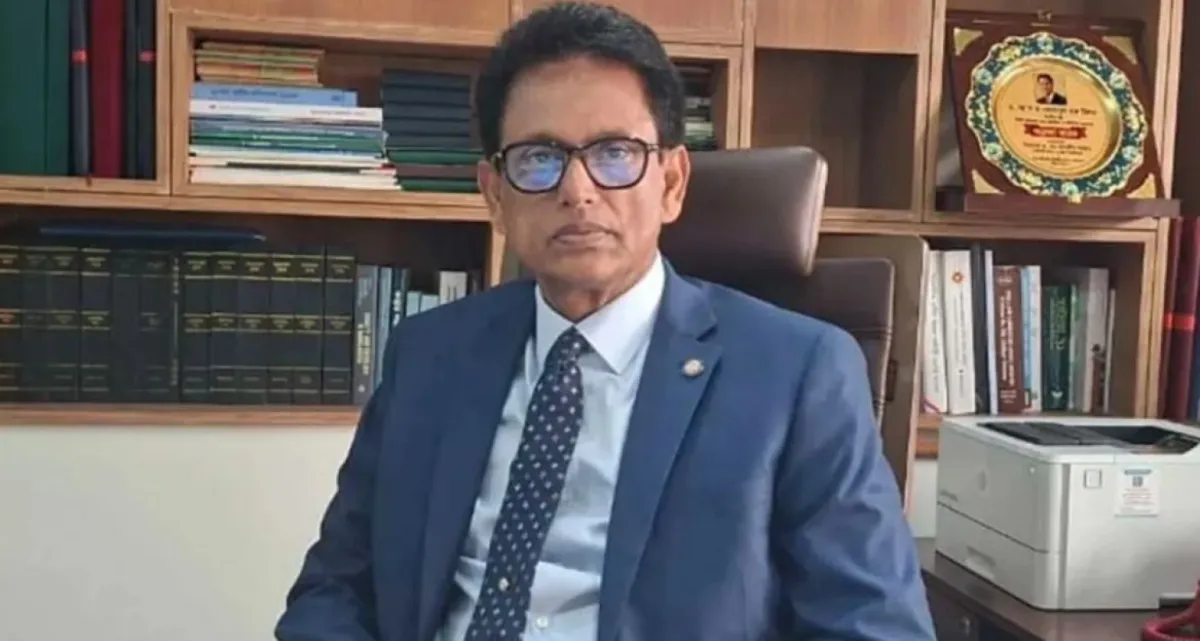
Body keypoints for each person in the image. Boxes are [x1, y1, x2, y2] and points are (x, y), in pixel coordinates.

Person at [275, 2, 936, 640]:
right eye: (539, 158)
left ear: (671, 183)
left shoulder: (798, 373)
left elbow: (874, 625)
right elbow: (336, 589)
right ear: (495, 195)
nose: (578, 190)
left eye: (614, 153)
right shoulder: (429, 354)